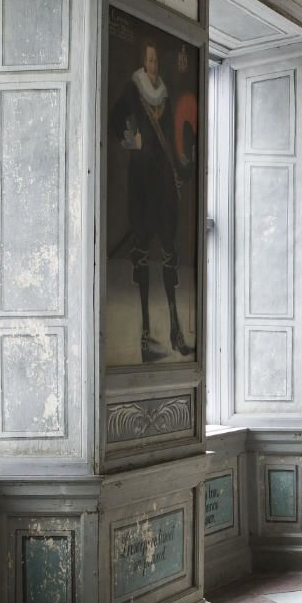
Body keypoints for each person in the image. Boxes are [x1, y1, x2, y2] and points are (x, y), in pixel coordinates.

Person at [110, 37, 193, 363]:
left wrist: (180, 167)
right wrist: (131, 141)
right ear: (143, 64)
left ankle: (175, 332)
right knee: (142, 255)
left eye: (156, 61)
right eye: (149, 61)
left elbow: (171, 139)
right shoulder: (134, 90)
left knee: (170, 253)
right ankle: (145, 338)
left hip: (163, 184)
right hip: (142, 184)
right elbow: (115, 120)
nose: (153, 66)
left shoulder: (165, 96)